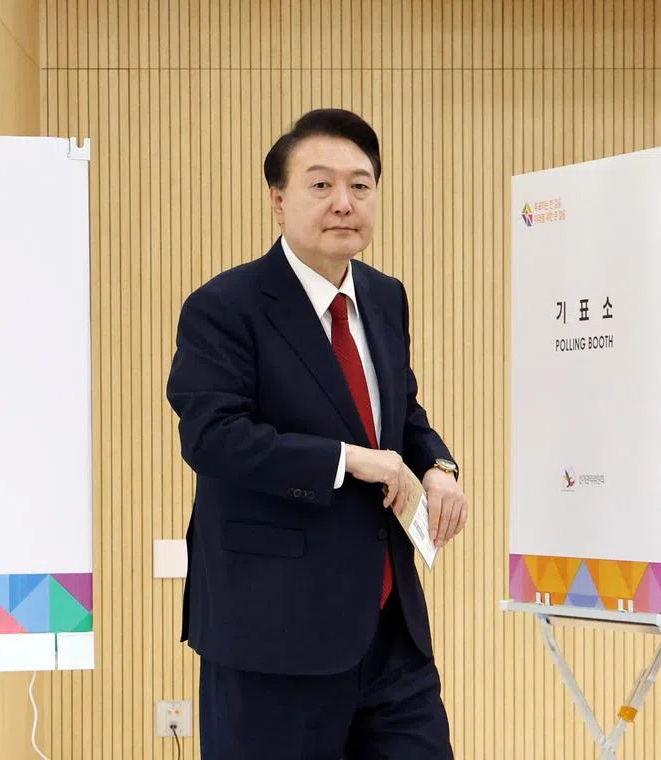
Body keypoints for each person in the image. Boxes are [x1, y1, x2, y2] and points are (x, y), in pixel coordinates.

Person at [166, 107, 468, 760]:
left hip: (391, 634)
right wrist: (349, 461)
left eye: (360, 186)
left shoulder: (385, 297)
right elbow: (213, 437)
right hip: (273, 634)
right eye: (321, 184)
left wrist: (439, 465)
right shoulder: (225, 306)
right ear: (278, 200)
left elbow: (400, 414)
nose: (343, 203)